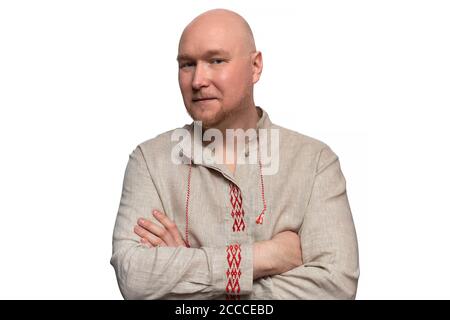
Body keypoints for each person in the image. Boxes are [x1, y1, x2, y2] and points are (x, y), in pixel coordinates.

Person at [110, 8, 359, 300]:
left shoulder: (315, 162)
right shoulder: (149, 161)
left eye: (216, 61)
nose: (197, 80)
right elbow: (134, 278)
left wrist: (186, 278)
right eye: (187, 64)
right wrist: (266, 257)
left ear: (255, 67)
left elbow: (336, 288)